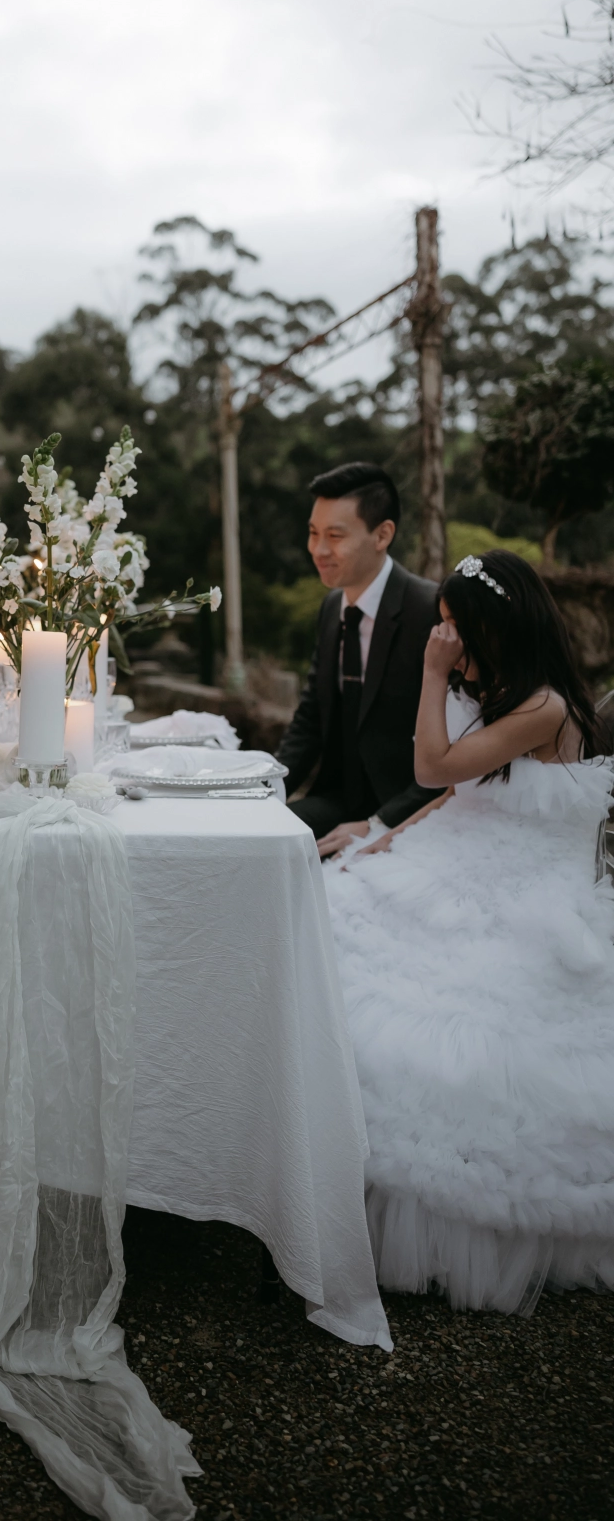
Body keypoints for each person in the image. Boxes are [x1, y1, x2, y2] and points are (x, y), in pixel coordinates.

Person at [326, 550, 614, 1315]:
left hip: (524, 886)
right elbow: (461, 793)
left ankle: (436, 1212)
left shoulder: (545, 707)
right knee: (338, 912)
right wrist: (384, 834)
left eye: (455, 624)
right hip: (467, 849)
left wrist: (429, 675)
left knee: (439, 1030)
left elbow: (434, 766)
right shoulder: (496, 689)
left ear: (494, 626)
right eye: (441, 623)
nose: (444, 637)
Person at [278, 461, 443, 858]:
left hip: (409, 811)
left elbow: (454, 748)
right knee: (252, 839)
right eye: (313, 533)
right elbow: (311, 716)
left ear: (382, 534)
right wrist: (266, 790)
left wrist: (381, 823)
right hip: (337, 799)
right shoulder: (331, 606)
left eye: (335, 536)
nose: (319, 550)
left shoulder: (430, 611)